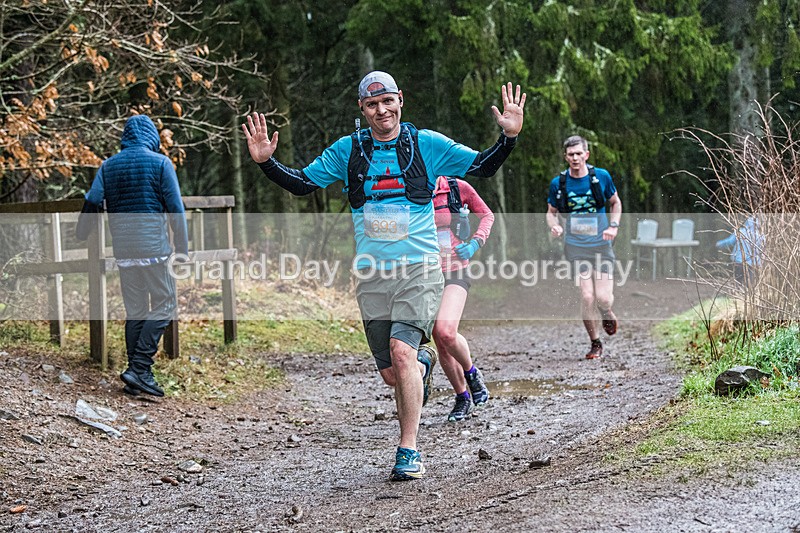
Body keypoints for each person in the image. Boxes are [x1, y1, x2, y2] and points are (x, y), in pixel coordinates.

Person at [242, 71, 525, 481]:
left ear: (401, 100)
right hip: (373, 276)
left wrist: (509, 138)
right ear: (362, 109)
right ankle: (425, 361)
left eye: (388, 101)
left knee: (400, 352)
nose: (382, 110)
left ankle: (408, 450)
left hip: (421, 269)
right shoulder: (349, 151)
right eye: (373, 104)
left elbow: (481, 165)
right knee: (394, 373)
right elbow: (303, 184)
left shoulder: (426, 144)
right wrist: (267, 163)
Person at [76, 114, 188, 397]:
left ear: (126, 137)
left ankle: (134, 376)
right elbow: (176, 209)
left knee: (136, 310)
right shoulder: (161, 163)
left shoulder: (108, 166)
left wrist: (81, 232)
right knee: (166, 304)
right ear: (152, 137)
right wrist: (183, 250)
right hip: (153, 251)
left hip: (124, 251)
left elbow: (92, 200)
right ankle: (140, 368)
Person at [546, 135, 622, 360]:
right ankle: (595, 343)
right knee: (587, 296)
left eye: (579, 153)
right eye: (571, 155)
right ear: (566, 157)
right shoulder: (558, 183)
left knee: (603, 298)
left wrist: (614, 226)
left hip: (601, 244)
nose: (575, 158)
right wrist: (555, 227)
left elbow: (615, 202)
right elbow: (551, 213)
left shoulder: (601, 177)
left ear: (586, 155)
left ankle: (606, 312)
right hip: (575, 246)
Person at [431, 176, 494, 422]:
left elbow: (487, 215)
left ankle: (472, 373)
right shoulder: (409, 187)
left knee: (446, 331)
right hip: (425, 273)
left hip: (456, 268)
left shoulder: (457, 188)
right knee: (439, 339)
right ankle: (462, 397)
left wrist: (476, 242)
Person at [715, 215, 763, 288]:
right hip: (753, 264)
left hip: (739, 262)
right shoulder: (761, 236)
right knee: (750, 284)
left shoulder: (740, 232)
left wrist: (719, 244)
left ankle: (737, 294)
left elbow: (730, 242)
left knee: (738, 282)